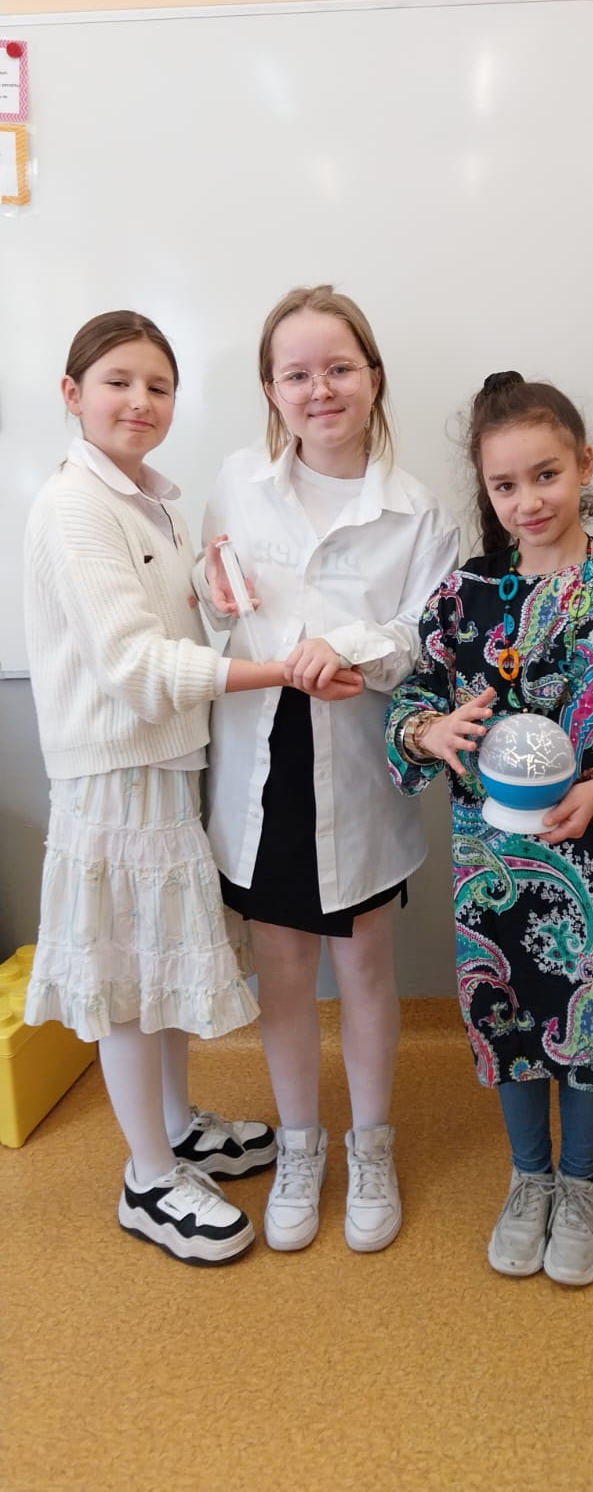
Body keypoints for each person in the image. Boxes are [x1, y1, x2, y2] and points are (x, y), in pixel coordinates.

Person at [22, 310, 320, 1265]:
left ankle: (178, 1127)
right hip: (116, 776)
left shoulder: (153, 502)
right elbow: (133, 666)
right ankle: (147, 1179)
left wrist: (217, 601)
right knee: (127, 981)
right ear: (73, 394)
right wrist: (276, 672)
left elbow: (174, 635)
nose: (140, 401)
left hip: (170, 764)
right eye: (118, 382)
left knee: (160, 966)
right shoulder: (74, 506)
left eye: (158, 385)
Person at [386, 371, 593, 1286]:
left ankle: (581, 1185)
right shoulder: (462, 597)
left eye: (546, 475)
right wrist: (428, 730)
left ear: (584, 466)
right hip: (492, 866)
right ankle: (529, 1179)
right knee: (506, 1011)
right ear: (485, 491)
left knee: (589, 1024)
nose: (528, 500)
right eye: (505, 485)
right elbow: (411, 700)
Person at [195, 285, 458, 1255]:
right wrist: (210, 590)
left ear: (373, 376)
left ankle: (371, 1145)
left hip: (354, 763)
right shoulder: (237, 482)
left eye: (339, 368)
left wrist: (345, 645)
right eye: (297, 374)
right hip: (260, 764)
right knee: (283, 970)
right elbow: (213, 605)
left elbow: (426, 636)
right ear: (271, 389)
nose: (320, 389)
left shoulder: (417, 510)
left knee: (365, 967)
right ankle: (301, 1145)